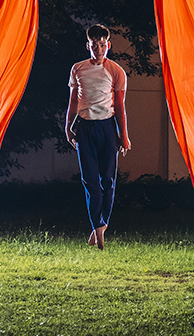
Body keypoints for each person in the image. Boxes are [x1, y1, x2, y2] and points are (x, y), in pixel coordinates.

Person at [65, 23, 130, 250]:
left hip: (107, 129)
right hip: (85, 128)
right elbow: (73, 101)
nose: (99, 49)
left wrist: (124, 136)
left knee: (108, 181)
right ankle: (98, 225)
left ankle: (100, 227)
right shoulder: (78, 69)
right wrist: (68, 127)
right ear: (88, 46)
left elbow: (120, 107)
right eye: (95, 45)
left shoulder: (116, 71)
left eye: (103, 45)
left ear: (108, 45)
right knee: (90, 181)